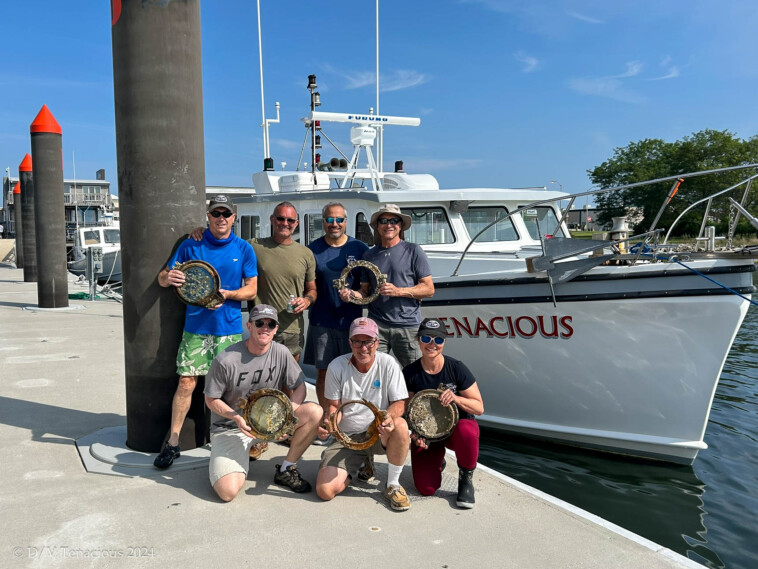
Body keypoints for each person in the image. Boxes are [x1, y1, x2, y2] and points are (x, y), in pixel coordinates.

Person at [154, 194, 258, 469]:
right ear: (208, 217)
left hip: (229, 329)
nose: (221, 218)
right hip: (196, 328)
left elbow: (252, 289)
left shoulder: (244, 248)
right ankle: (173, 442)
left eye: (226, 214)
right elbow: (164, 278)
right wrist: (169, 278)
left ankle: (232, 439)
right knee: (187, 383)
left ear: (234, 217)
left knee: (232, 388)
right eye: (216, 214)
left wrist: (232, 293)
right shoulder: (192, 244)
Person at [204, 304, 323, 501]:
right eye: (259, 323)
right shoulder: (226, 360)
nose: (265, 328)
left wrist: (287, 414)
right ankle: (230, 459)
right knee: (227, 492)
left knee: (314, 412)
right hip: (233, 428)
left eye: (270, 324)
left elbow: (300, 386)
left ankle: (286, 468)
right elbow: (211, 399)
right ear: (249, 325)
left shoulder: (282, 352)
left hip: (270, 423)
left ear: (276, 329)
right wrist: (235, 416)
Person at [315, 317, 412, 511]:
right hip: (348, 436)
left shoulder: (388, 364)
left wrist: (389, 417)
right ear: (350, 343)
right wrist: (329, 423)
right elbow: (334, 406)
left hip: (378, 432)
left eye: (368, 341)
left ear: (377, 342)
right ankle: (359, 463)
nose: (363, 347)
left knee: (400, 425)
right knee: (325, 491)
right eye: (357, 341)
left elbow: (399, 403)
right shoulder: (336, 366)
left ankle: (392, 484)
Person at [402, 318, 484, 509]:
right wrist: (415, 435)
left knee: (468, 430)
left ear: (444, 342)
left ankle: (465, 477)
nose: (432, 344)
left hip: (455, 430)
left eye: (438, 340)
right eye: (426, 338)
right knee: (426, 488)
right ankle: (438, 462)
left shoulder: (456, 368)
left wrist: (456, 398)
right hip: (428, 435)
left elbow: (479, 407)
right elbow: (407, 411)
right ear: (418, 340)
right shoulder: (410, 373)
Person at [345, 204, 434, 368]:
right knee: (374, 374)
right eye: (384, 221)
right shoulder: (368, 255)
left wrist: (398, 291)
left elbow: (429, 289)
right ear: (377, 227)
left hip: (408, 327)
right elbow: (365, 292)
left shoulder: (414, 251)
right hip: (377, 327)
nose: (389, 225)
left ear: (400, 226)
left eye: (394, 220)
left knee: (413, 376)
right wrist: (350, 294)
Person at [304, 202, 369, 412]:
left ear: (346, 222)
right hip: (321, 321)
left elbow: (366, 289)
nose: (335, 224)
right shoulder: (312, 249)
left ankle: (350, 417)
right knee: (324, 372)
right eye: (330, 220)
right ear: (323, 222)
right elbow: (307, 285)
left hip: (351, 323)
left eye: (339, 219)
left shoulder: (359, 249)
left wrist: (355, 295)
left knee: (354, 371)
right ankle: (326, 420)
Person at [250, 202, 317, 361]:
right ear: (272, 219)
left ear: (296, 224)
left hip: (291, 330)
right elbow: (225, 242)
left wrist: (307, 301)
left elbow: (312, 289)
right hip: (262, 328)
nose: (285, 223)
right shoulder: (253, 246)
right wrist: (203, 231)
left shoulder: (305, 253)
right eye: (281, 218)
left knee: (289, 382)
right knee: (261, 381)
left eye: (290, 220)